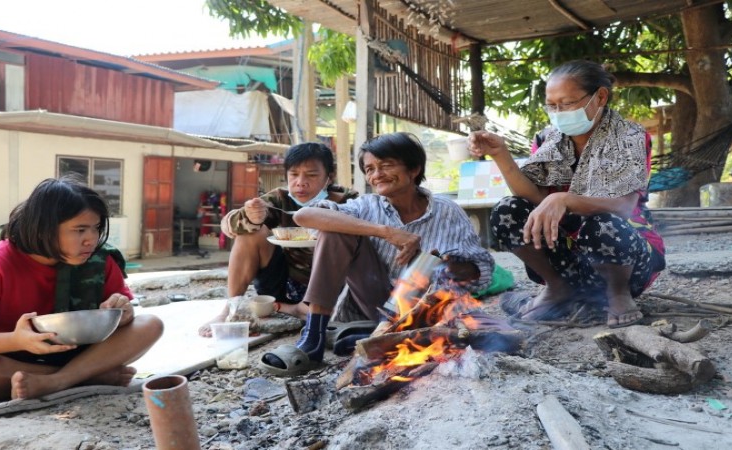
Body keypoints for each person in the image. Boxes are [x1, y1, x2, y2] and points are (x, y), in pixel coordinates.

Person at [259, 132, 495, 375]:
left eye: (386, 165)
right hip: (374, 299)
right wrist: (387, 232)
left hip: (423, 310)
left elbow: (482, 270)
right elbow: (304, 216)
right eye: (369, 169)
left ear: (413, 169)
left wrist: (446, 265)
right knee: (335, 230)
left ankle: (376, 337)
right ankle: (314, 337)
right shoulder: (367, 206)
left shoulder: (447, 211)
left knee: (437, 298)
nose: (376, 175)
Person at [469, 59, 665, 328]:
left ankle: (617, 293)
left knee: (603, 224)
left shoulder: (629, 137)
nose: (558, 112)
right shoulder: (547, 140)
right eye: (552, 105)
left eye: (568, 103)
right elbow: (534, 199)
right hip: (569, 260)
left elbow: (623, 207)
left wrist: (566, 199)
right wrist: (500, 154)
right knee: (507, 210)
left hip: (624, 258)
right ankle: (557, 286)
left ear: (600, 96)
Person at [0, 177, 164, 405]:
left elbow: (125, 317)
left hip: (81, 353)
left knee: (150, 324)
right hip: (8, 359)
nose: (91, 239)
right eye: (80, 229)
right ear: (44, 230)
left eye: (96, 228)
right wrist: (16, 340)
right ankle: (84, 377)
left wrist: (123, 312)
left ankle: (58, 381)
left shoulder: (100, 260)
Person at [198, 142, 358, 337]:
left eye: (311, 175)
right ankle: (231, 310)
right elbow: (228, 225)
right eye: (294, 174)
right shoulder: (278, 200)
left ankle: (300, 310)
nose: (300, 182)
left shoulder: (348, 201)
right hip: (284, 283)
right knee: (252, 232)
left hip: (331, 286)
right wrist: (250, 216)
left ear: (329, 177)